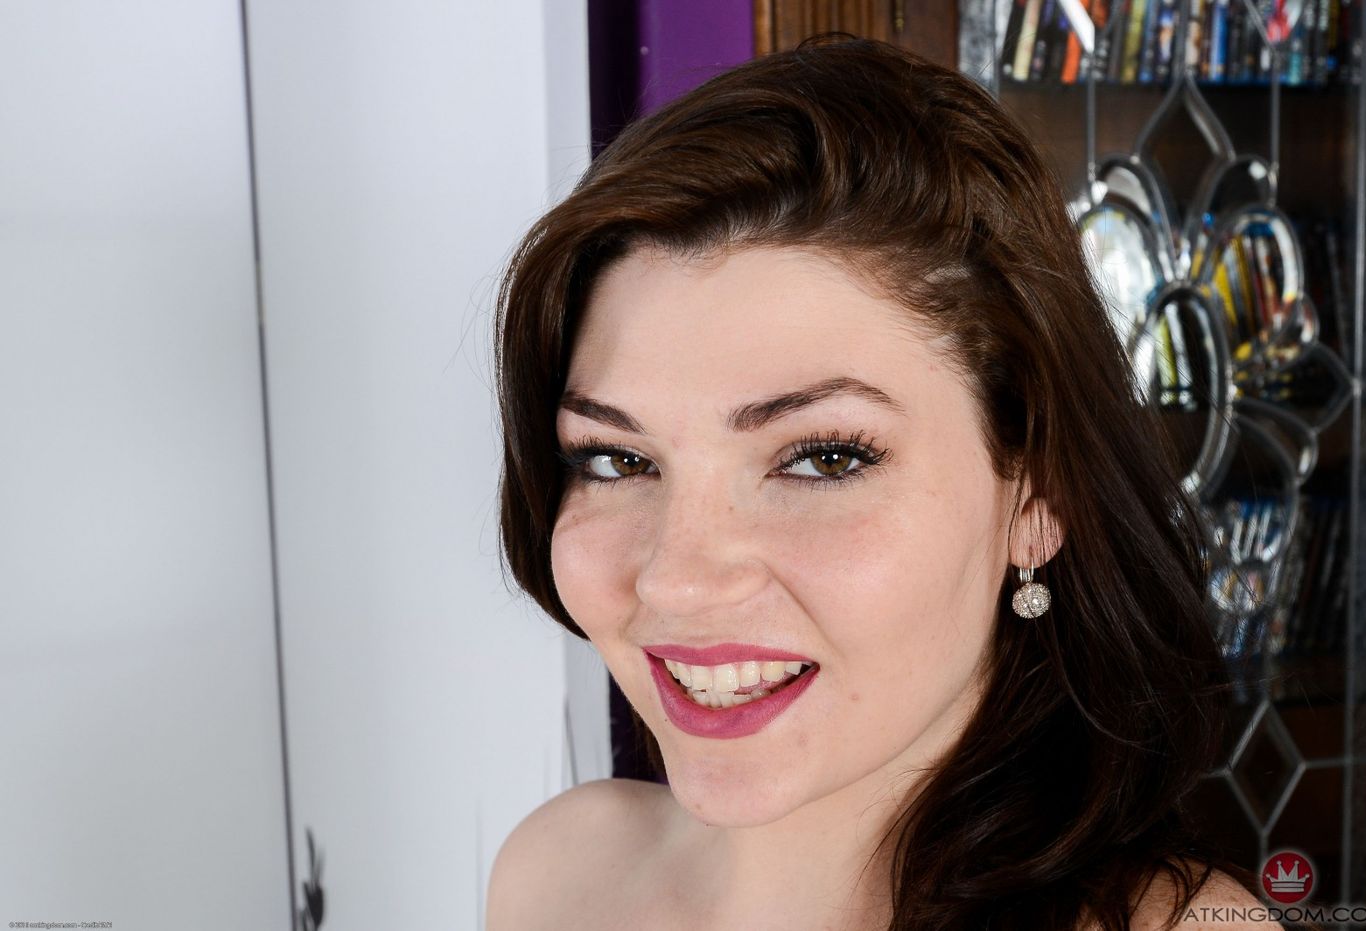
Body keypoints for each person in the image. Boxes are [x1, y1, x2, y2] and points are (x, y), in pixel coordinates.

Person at [485, 35, 1281, 931]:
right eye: (618, 460)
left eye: (823, 457)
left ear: (1037, 494)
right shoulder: (559, 874)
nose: (677, 580)